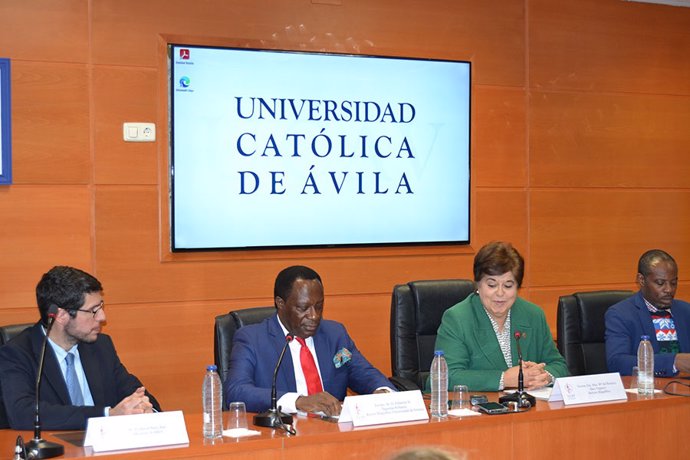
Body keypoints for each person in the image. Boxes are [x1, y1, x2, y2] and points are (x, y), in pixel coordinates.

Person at [0, 266, 161, 430]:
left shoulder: (100, 346)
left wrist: (145, 408)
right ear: (62, 315)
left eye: (101, 307)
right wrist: (106, 415)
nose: (102, 317)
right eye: (93, 311)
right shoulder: (17, 353)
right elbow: (22, 414)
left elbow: (133, 391)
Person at [224, 265, 394, 416]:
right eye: (303, 308)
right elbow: (236, 391)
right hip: (282, 435)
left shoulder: (335, 335)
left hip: (333, 433)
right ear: (280, 303)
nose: (314, 316)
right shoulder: (252, 339)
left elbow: (361, 371)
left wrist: (382, 392)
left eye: (319, 306)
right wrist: (298, 401)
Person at [433, 242, 569, 391]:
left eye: (508, 285)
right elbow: (446, 377)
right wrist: (504, 379)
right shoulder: (457, 319)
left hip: (529, 409)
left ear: (518, 287)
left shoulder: (533, 315)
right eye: (492, 285)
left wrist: (544, 376)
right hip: (478, 410)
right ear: (478, 285)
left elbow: (559, 366)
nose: (500, 293)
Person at [605, 249, 690, 376]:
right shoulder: (620, 314)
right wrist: (673, 362)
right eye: (660, 283)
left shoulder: (685, 311)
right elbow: (617, 363)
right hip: (647, 390)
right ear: (641, 280)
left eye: (673, 283)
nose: (669, 289)